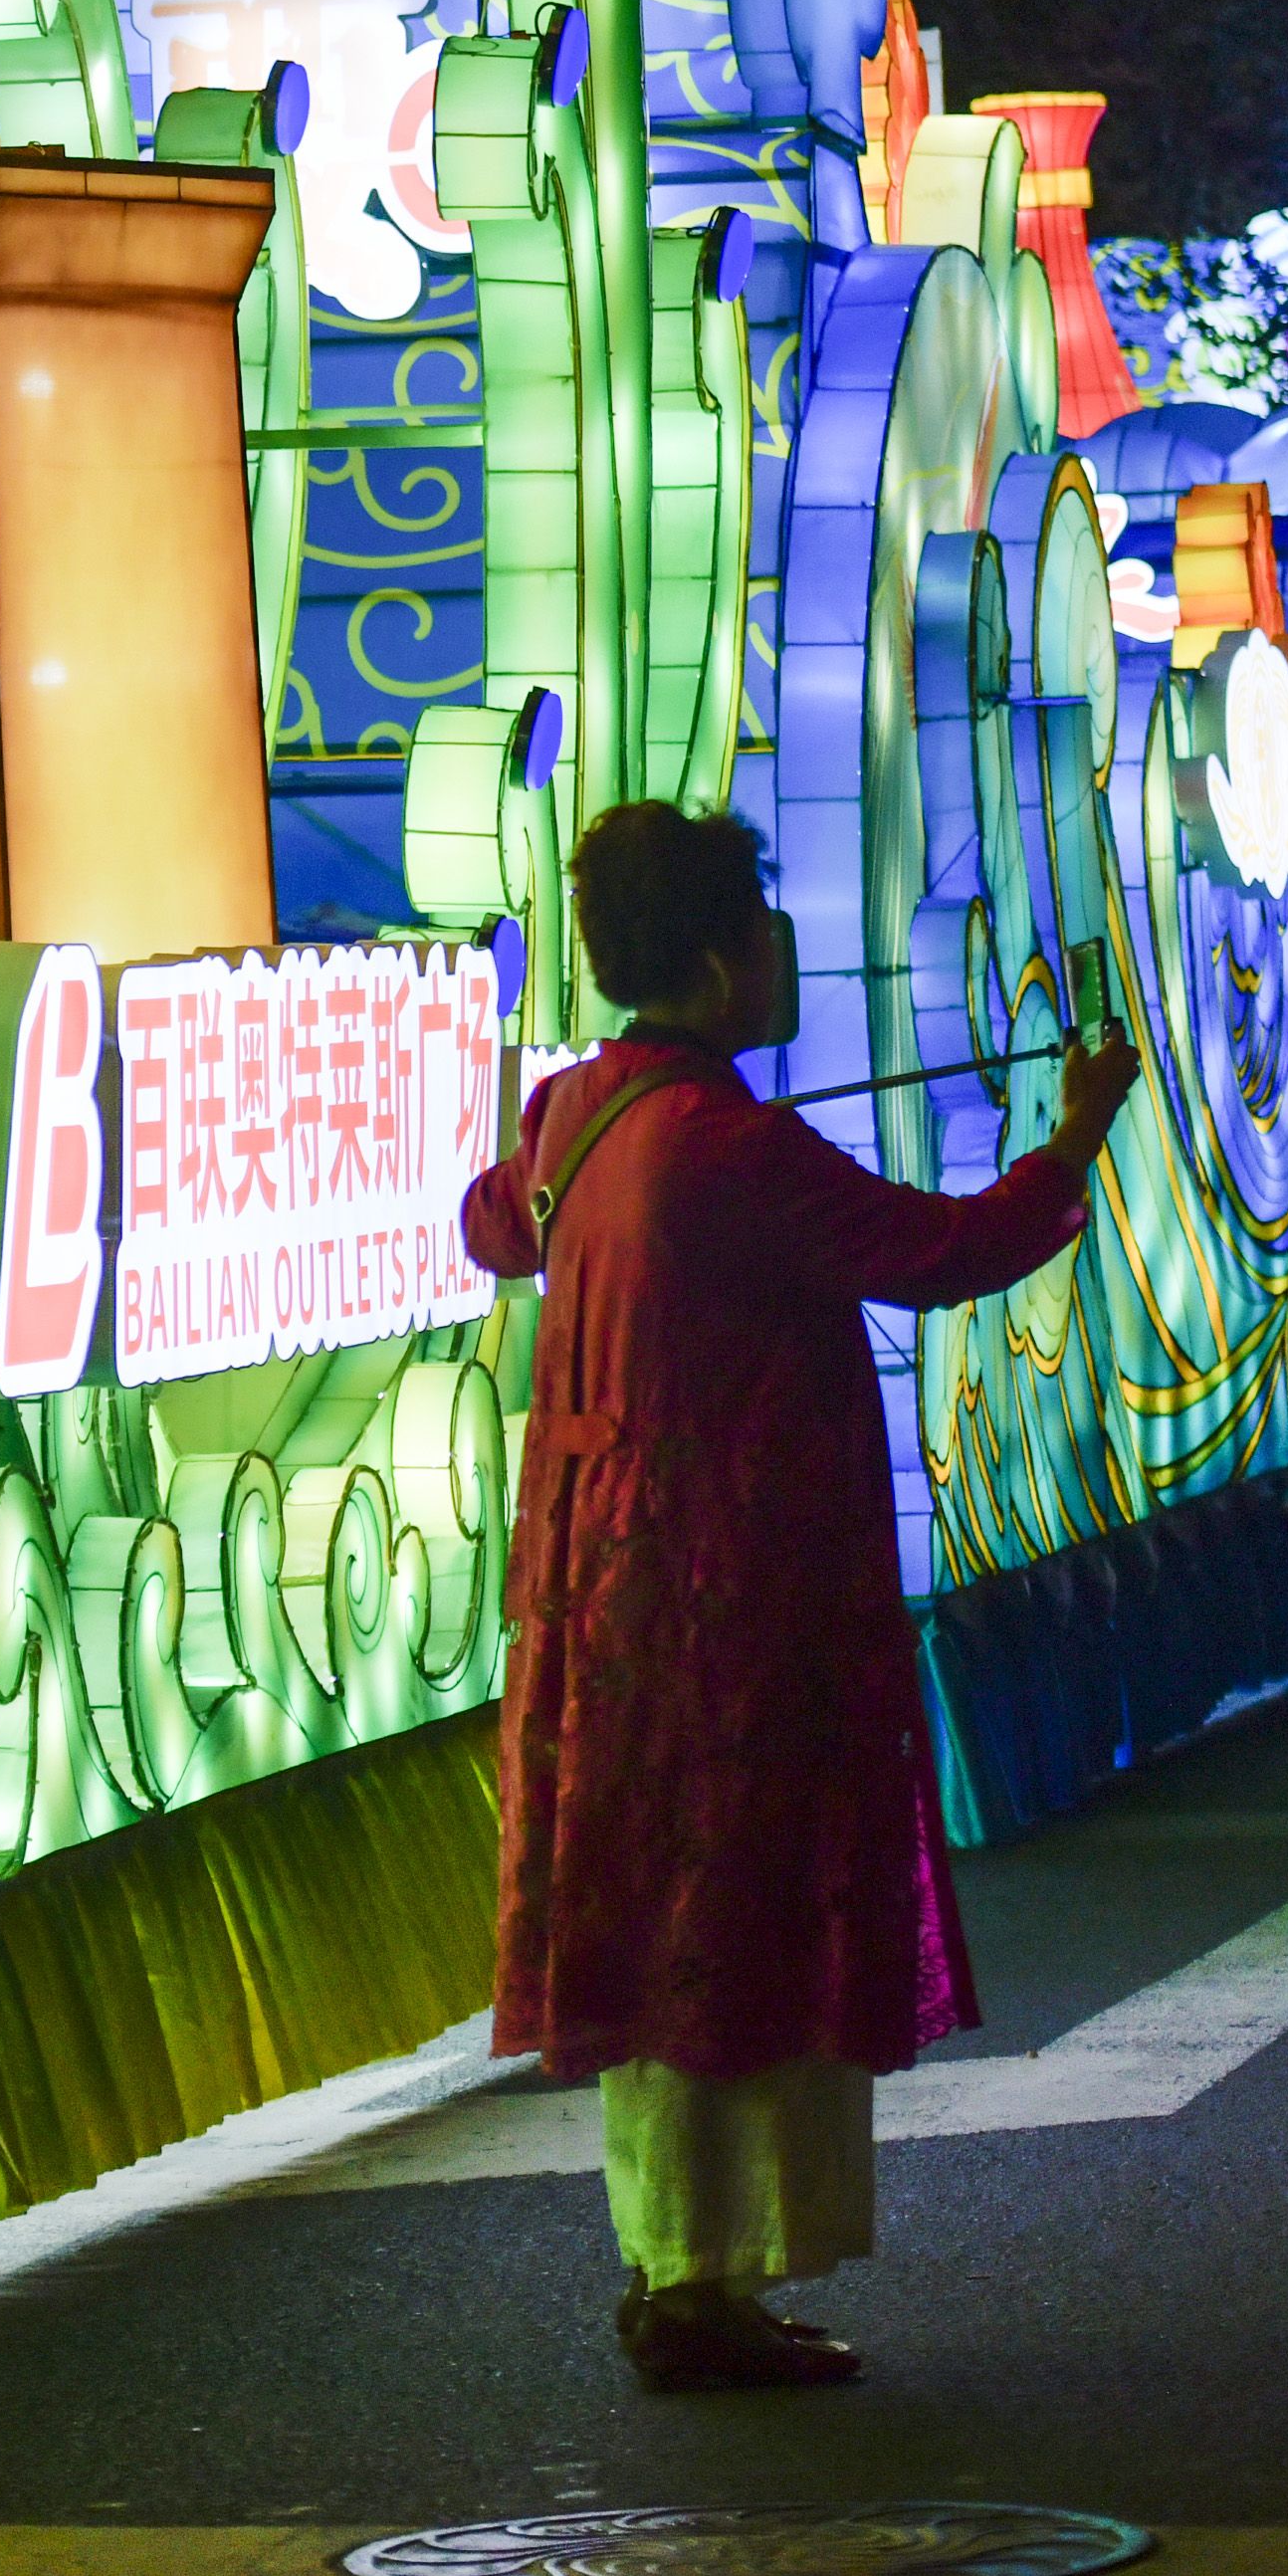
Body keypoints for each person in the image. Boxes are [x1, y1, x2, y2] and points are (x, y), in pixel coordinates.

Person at [457, 803, 1139, 2395]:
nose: (781, 960)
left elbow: (492, 1225)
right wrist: (1076, 1133)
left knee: (656, 1934)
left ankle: (678, 2267)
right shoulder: (730, 1147)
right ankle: (706, 2285)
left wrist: (561, 1156)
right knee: (740, 1929)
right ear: (717, 963)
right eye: (765, 935)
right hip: (732, 1603)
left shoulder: (580, 1113)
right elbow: (951, 1249)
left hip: (604, 1599)